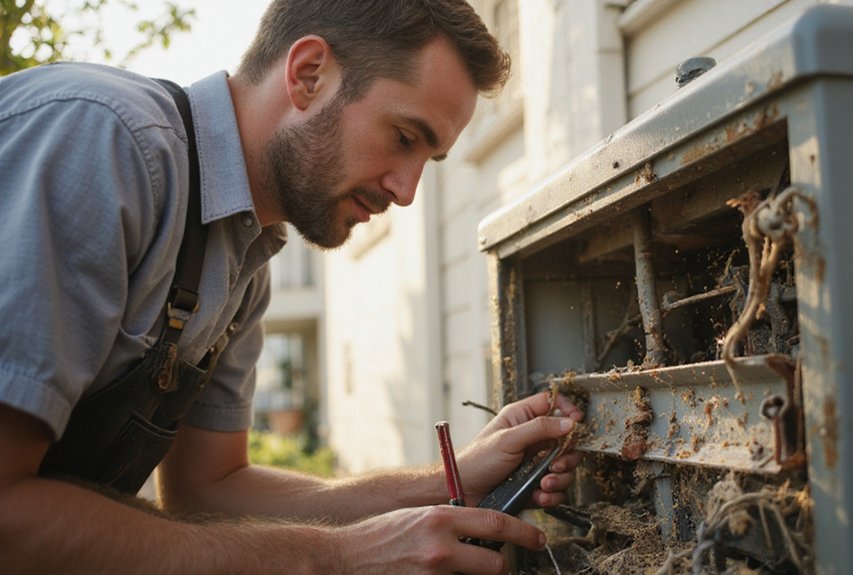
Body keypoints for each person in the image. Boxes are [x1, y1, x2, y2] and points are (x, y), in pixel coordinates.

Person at [0, 1, 584, 573]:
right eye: (405, 137)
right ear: (309, 74)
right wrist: (338, 555)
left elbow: (209, 491)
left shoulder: (243, 257)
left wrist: (446, 481)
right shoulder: (106, 144)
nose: (407, 191)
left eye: (429, 160)